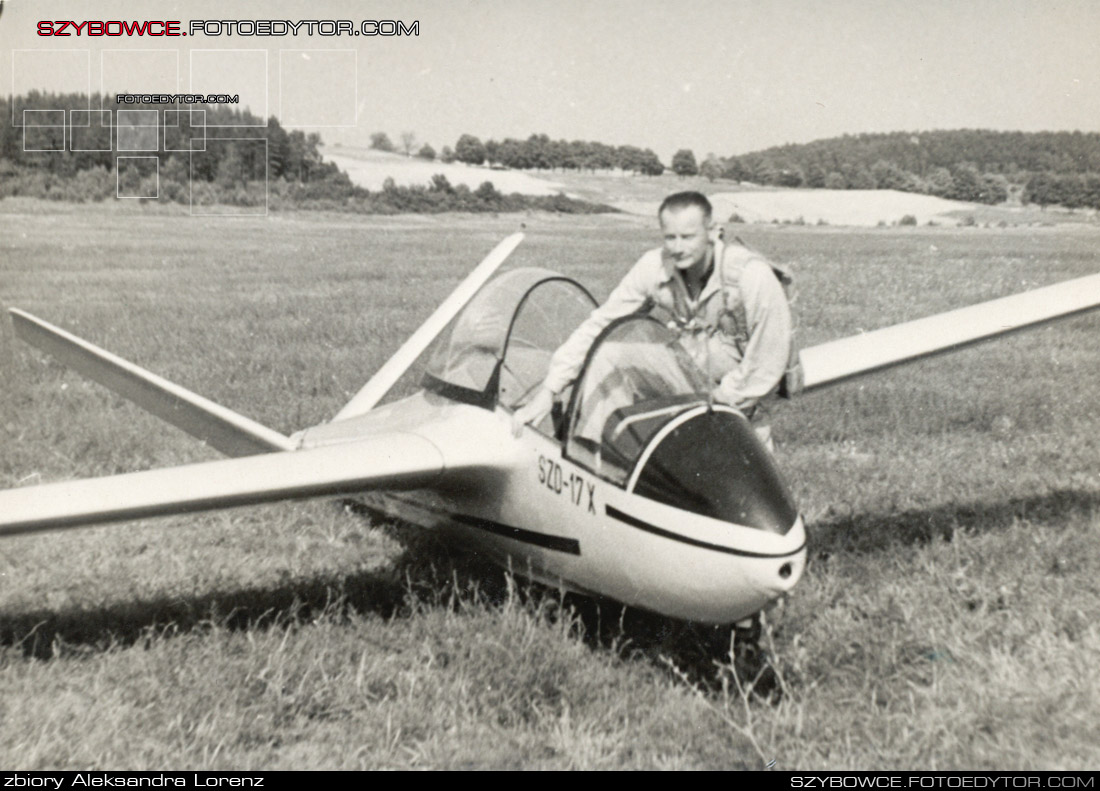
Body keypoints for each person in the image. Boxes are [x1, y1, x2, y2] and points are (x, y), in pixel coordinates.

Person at [511, 191, 792, 449]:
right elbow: (600, 325)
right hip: (689, 379)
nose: (678, 247)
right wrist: (550, 388)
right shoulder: (654, 267)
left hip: (742, 401)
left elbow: (767, 362)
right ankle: (598, 455)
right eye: (670, 238)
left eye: (688, 237)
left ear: (712, 233)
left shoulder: (750, 276)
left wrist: (719, 405)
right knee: (609, 352)